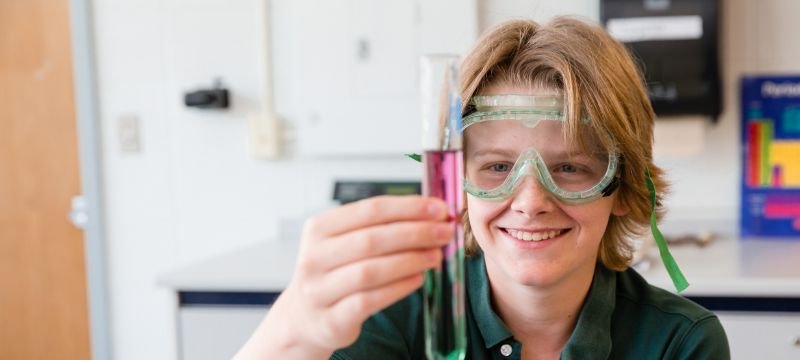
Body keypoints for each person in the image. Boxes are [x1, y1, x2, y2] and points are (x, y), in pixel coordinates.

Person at [235, 16, 730, 359]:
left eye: (570, 168)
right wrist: (293, 331)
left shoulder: (679, 342)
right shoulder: (393, 320)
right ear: (457, 184)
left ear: (623, 186)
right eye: (497, 167)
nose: (531, 202)